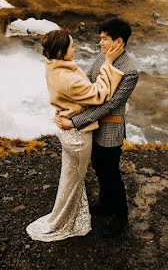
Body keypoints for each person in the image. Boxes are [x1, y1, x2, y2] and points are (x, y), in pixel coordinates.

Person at [26, 29, 125, 242]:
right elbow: (100, 94)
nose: (75, 48)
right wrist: (108, 62)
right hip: (78, 137)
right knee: (74, 182)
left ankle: (66, 215)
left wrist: (70, 109)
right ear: (61, 51)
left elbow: (69, 95)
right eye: (72, 46)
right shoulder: (69, 79)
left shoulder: (53, 66)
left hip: (67, 133)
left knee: (69, 178)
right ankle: (65, 221)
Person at [55, 17, 139, 238]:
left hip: (110, 129)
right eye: (100, 38)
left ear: (118, 41)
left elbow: (111, 105)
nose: (100, 42)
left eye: (104, 38)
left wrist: (74, 122)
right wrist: (67, 106)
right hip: (93, 124)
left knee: (111, 173)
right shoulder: (103, 56)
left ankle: (120, 219)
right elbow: (90, 84)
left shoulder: (130, 71)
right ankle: (103, 204)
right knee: (99, 168)